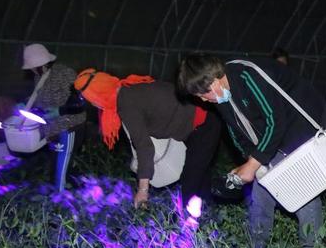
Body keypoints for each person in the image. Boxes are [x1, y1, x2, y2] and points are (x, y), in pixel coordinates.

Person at [176, 53, 326, 248]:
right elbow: (236, 131)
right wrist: (250, 161)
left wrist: (252, 165)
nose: (203, 100)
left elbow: (275, 121)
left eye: (203, 93)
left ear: (214, 81)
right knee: (260, 193)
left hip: (301, 124)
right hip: (276, 134)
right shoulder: (221, 95)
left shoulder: (248, 76)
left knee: (304, 196)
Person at [74, 69, 221, 208]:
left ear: (99, 95)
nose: (93, 104)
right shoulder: (128, 89)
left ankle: (188, 220)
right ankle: (207, 213)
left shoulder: (126, 102)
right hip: (202, 119)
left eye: (91, 99)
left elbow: (144, 147)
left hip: (203, 122)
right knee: (200, 176)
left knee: (191, 180)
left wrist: (143, 190)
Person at [21, 43, 86, 191]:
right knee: (55, 166)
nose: (31, 70)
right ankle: (65, 191)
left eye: (32, 67)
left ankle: (60, 197)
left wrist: (60, 111)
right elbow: (42, 99)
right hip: (52, 129)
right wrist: (27, 104)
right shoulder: (39, 77)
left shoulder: (65, 74)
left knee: (61, 168)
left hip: (69, 126)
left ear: (41, 64)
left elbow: (80, 102)